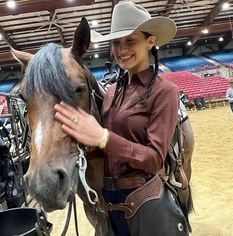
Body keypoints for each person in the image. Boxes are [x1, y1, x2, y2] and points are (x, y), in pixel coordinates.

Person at [54, 1, 189, 235]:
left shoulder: (165, 91)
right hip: (108, 205)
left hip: (146, 203)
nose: (122, 49)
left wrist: (103, 137)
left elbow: (154, 159)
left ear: (150, 41)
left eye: (130, 40)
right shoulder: (112, 91)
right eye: (116, 42)